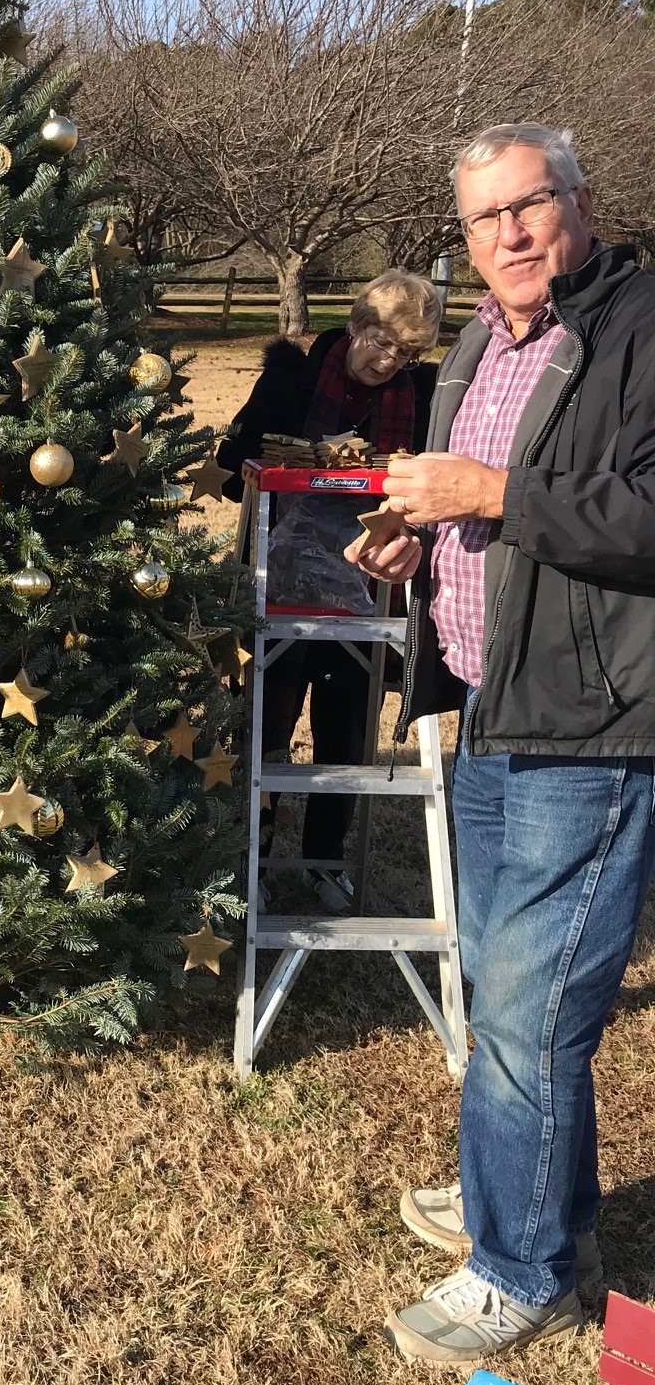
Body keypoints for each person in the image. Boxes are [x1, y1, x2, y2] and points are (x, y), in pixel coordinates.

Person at [345, 125, 655, 1364]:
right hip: (485, 702)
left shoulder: (637, 326)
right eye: (484, 220)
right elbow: (477, 509)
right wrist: (422, 541)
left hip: (596, 723)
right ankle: (529, 1199)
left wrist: (489, 499)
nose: (511, 235)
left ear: (579, 203)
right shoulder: (481, 338)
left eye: (531, 206)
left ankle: (519, 1267)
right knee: (508, 988)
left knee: (533, 1006)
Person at [217, 272, 442, 908]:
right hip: (279, 582)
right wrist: (293, 471)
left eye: (404, 352)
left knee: (347, 723)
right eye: (378, 341)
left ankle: (324, 858)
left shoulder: (421, 396)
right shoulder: (290, 378)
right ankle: (252, 854)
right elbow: (236, 472)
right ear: (353, 327)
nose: (387, 360)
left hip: (368, 589)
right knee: (268, 718)